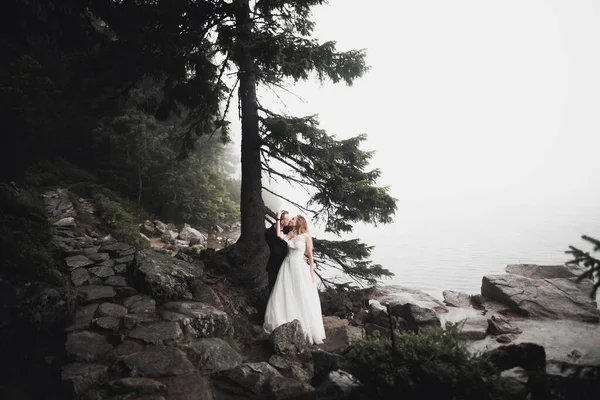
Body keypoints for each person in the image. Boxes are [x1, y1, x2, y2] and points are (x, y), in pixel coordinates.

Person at [263, 212, 326, 345]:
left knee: (300, 293)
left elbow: (310, 254)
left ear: (299, 222)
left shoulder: (306, 236)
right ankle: (284, 321)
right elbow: (279, 236)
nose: (291, 220)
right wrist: (278, 217)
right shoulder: (291, 234)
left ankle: (304, 326)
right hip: (286, 266)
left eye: (293, 219)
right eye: (290, 219)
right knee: (284, 292)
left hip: (299, 267)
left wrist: (311, 270)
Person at [264, 211, 295, 293]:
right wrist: (287, 238)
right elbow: (276, 250)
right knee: (273, 289)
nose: (290, 221)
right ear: (281, 221)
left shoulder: (288, 230)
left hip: (287, 265)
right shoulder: (269, 233)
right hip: (275, 265)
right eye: (288, 219)